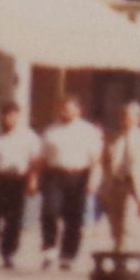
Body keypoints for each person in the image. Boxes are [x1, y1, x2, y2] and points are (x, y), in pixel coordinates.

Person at [37, 97, 104, 270]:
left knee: (74, 217)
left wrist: (94, 180)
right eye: (63, 109)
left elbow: (96, 160)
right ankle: (49, 248)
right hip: (55, 175)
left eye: (69, 109)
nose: (65, 112)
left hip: (79, 176)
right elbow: (42, 158)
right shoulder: (51, 130)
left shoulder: (88, 131)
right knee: (50, 211)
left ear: (78, 111)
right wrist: (36, 178)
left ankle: (68, 255)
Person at [0, 101, 42, 268]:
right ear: (2, 116)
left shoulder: (28, 136)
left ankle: (8, 253)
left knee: (14, 220)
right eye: (6, 114)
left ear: (18, 116)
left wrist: (33, 181)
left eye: (13, 115)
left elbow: (35, 162)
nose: (9, 118)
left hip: (17, 180)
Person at [99, 100, 140, 252]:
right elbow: (105, 163)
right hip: (115, 184)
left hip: (134, 186)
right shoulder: (113, 137)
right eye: (124, 116)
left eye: (130, 116)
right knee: (115, 224)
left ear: (139, 118)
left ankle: (124, 253)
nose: (127, 119)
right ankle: (119, 250)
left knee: (128, 223)